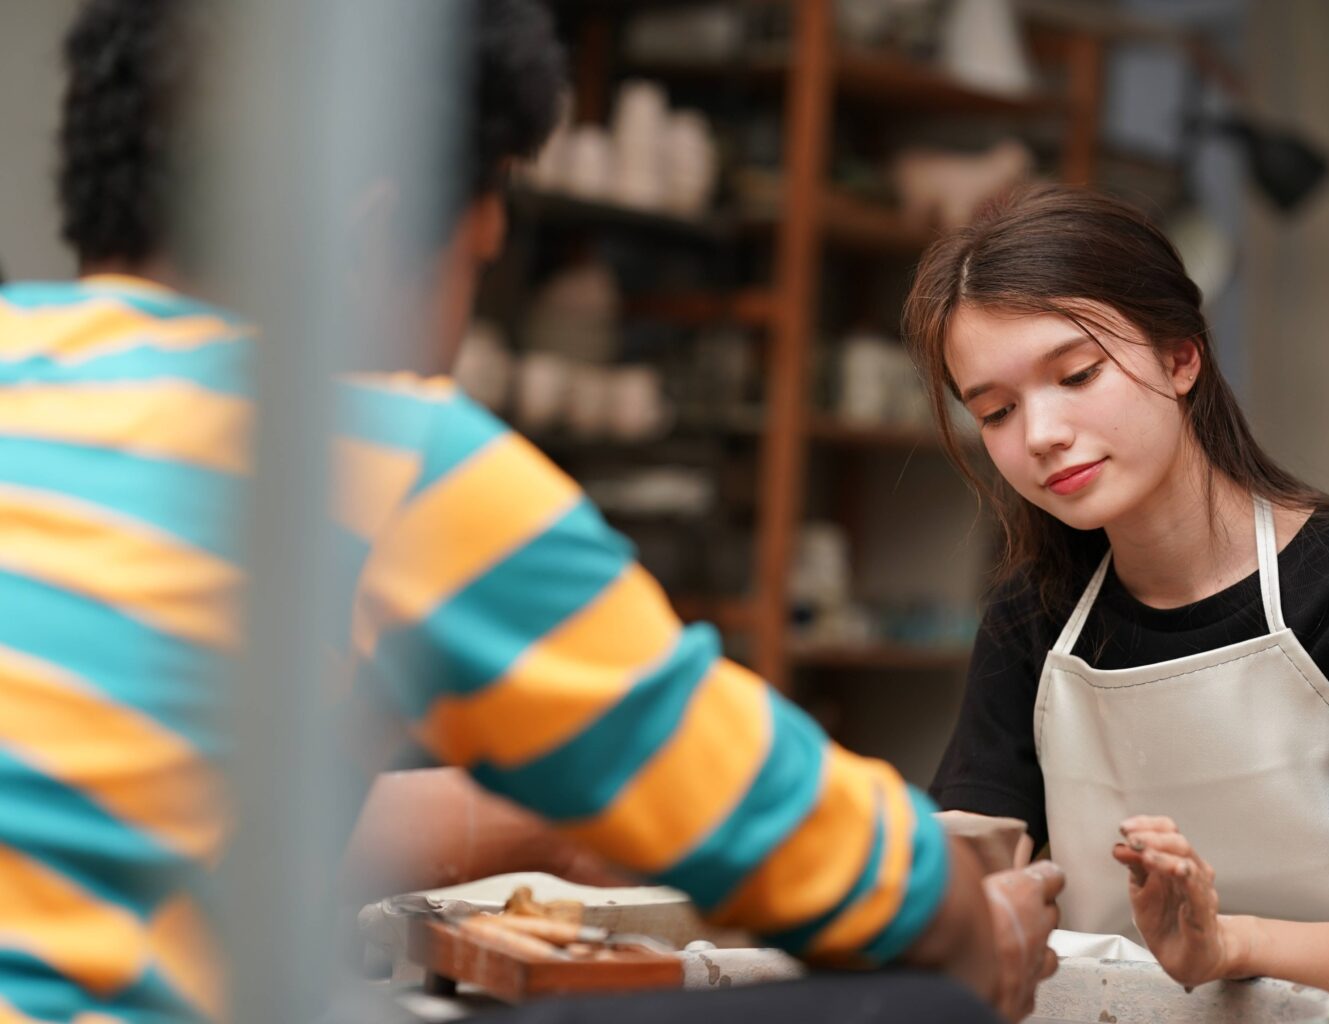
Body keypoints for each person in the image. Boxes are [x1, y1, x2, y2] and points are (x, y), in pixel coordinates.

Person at [0, 2, 1065, 1023]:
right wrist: (979, 932)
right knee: (925, 998)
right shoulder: (380, 450)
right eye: (479, 248)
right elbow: (768, 814)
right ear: (374, 237)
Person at [909, 183, 1329, 1023]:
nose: (1040, 434)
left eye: (1078, 374)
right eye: (996, 410)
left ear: (1181, 356)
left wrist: (1223, 946)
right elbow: (969, 880)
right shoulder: (1035, 617)